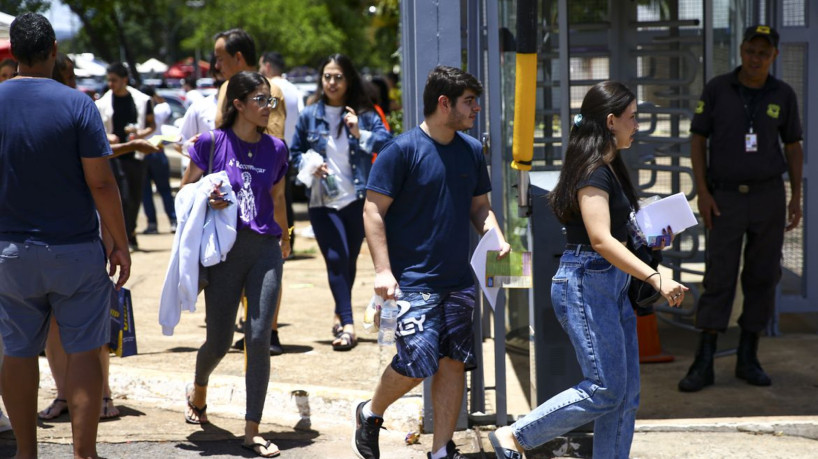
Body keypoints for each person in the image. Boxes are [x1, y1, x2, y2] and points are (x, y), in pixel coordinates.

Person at [486, 81, 687, 459]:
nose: (637, 126)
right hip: (587, 282)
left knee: (625, 396)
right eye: (632, 118)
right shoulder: (593, 171)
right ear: (611, 122)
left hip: (609, 284)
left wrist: (651, 240)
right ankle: (515, 436)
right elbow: (599, 240)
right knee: (606, 389)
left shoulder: (610, 168)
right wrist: (655, 277)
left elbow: (616, 234)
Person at [352, 66, 509, 459]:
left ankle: (441, 450)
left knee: (453, 364)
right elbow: (372, 210)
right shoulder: (400, 150)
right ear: (444, 103)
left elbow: (480, 207)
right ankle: (370, 413)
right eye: (469, 102)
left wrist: (497, 236)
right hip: (413, 280)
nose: (476, 109)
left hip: (459, 280)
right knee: (418, 362)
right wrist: (383, 271)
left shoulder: (471, 151)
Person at [0, 13, 130, 459]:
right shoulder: (79, 105)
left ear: (13, 52)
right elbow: (101, 183)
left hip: (11, 253)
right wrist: (119, 240)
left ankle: (25, 452)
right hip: (74, 250)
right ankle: (83, 452)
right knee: (83, 352)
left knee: (16, 352)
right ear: (54, 49)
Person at [678, 25, 803, 393]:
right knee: (719, 276)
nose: (756, 58)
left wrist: (795, 197)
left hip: (768, 198)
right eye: (751, 50)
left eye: (764, 53)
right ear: (741, 50)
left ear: (773, 56)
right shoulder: (718, 89)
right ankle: (704, 360)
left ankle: (748, 355)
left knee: (763, 276)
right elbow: (698, 138)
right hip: (725, 197)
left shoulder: (783, 93)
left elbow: (792, 145)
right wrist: (702, 190)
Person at [182, 71, 290, 458]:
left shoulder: (277, 148)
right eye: (260, 100)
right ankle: (198, 389)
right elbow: (185, 193)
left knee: (259, 336)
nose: (267, 108)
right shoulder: (212, 143)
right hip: (223, 253)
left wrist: (285, 238)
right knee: (220, 341)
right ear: (239, 104)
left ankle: (252, 429)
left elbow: (277, 196)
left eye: (271, 101)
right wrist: (206, 199)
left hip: (264, 247)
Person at [290, 53, 391, 351]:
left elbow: (389, 144)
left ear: (348, 81)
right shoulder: (310, 115)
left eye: (338, 77)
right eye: (327, 77)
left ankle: (339, 312)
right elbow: (293, 152)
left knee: (347, 260)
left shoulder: (366, 113)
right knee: (336, 258)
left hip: (358, 201)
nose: (331, 83)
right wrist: (310, 165)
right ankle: (348, 325)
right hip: (322, 201)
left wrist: (360, 133)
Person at [211, 29, 289, 356]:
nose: (216, 65)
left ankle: (265, 330)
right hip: (235, 201)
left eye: (220, 58)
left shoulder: (263, 92)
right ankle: (253, 328)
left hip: (260, 188)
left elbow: (270, 140)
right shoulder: (231, 90)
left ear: (238, 58)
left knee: (268, 260)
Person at [96, 62, 156, 251]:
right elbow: (96, 131)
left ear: (125, 80)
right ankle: (124, 237)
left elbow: (151, 125)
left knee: (135, 198)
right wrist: (108, 137)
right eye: (109, 80)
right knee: (122, 197)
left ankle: (130, 233)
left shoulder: (141, 100)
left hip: (136, 155)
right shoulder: (102, 104)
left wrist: (140, 134)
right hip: (115, 156)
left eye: (114, 80)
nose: (111, 84)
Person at [140, 85, 178, 234]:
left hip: (142, 152)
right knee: (165, 190)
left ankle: (152, 224)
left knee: (146, 192)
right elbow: (165, 105)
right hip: (157, 151)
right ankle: (173, 220)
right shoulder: (159, 110)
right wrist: (155, 96)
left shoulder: (139, 112)